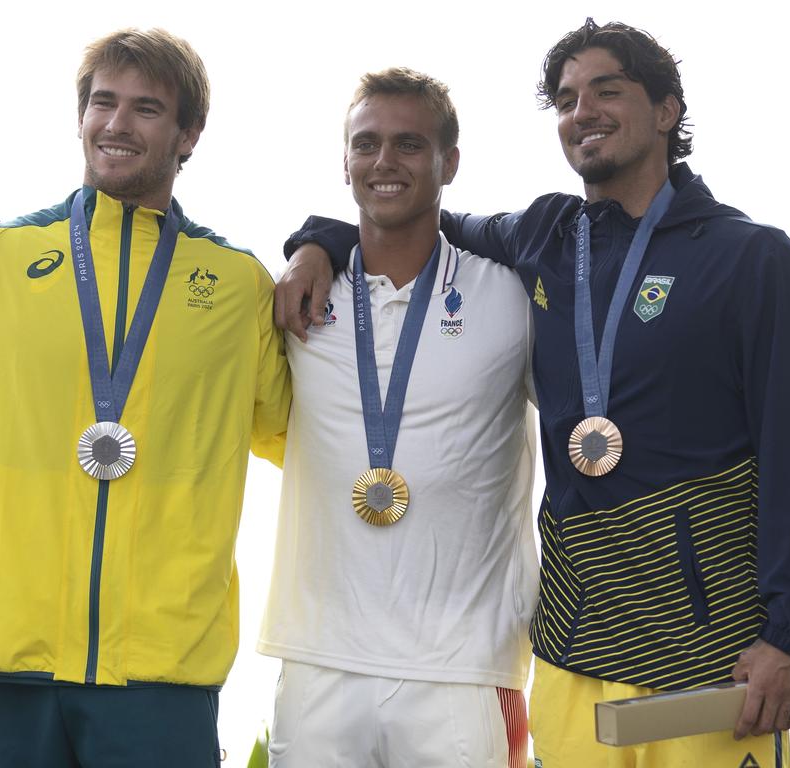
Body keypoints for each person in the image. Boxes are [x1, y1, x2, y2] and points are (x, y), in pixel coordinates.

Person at [276, 19, 790, 768]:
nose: (582, 110)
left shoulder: (754, 259)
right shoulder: (547, 236)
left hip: (713, 660)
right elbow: (414, 214)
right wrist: (319, 240)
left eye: (607, 90)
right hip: (570, 652)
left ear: (668, 110)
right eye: (565, 98)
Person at [0, 28, 290, 768]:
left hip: (163, 673)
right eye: (102, 103)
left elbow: (311, 439)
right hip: (4, 666)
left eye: (147, 108)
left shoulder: (238, 287)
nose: (116, 124)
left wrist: (328, 251)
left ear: (189, 135)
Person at [257, 67, 538, 768]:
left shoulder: (506, 293)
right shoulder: (296, 298)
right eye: (367, 144)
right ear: (344, 160)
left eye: (409, 145)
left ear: (450, 162)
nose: (384, 162)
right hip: (319, 656)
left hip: (463, 665)